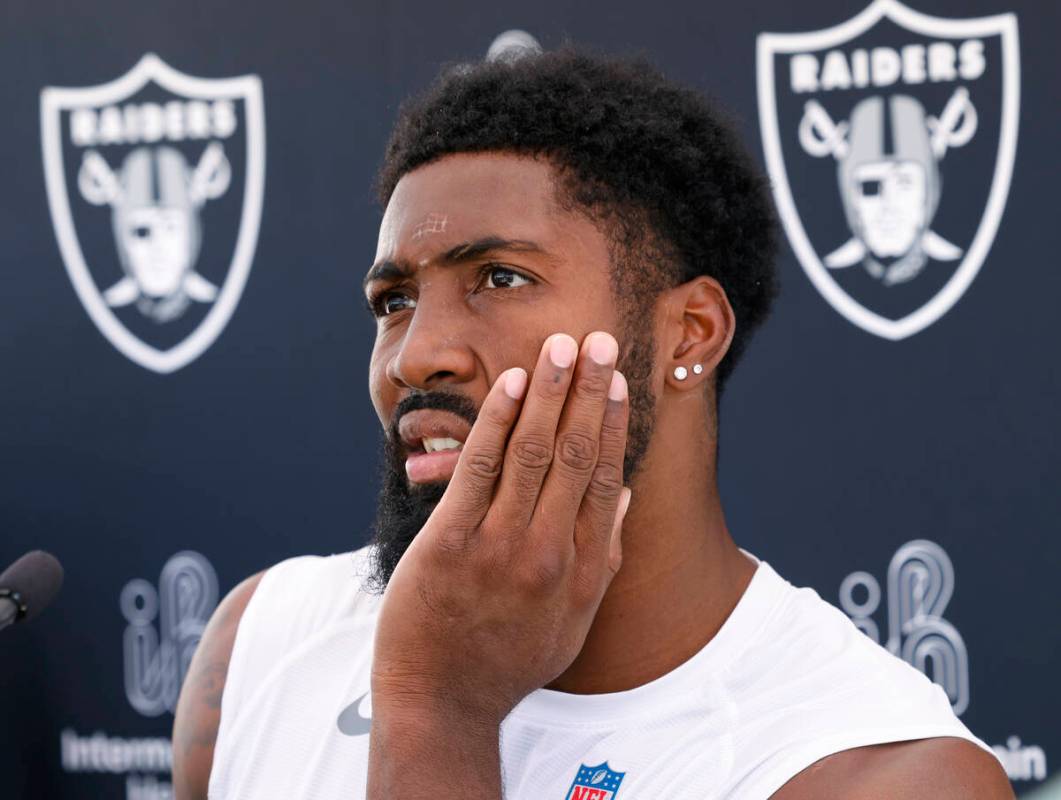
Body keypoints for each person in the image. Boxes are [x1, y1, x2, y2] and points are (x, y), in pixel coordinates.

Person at [172, 48, 1013, 799]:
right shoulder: (257, 640)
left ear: (689, 334)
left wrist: (436, 710)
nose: (414, 355)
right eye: (394, 302)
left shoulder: (869, 771)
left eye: (499, 278)